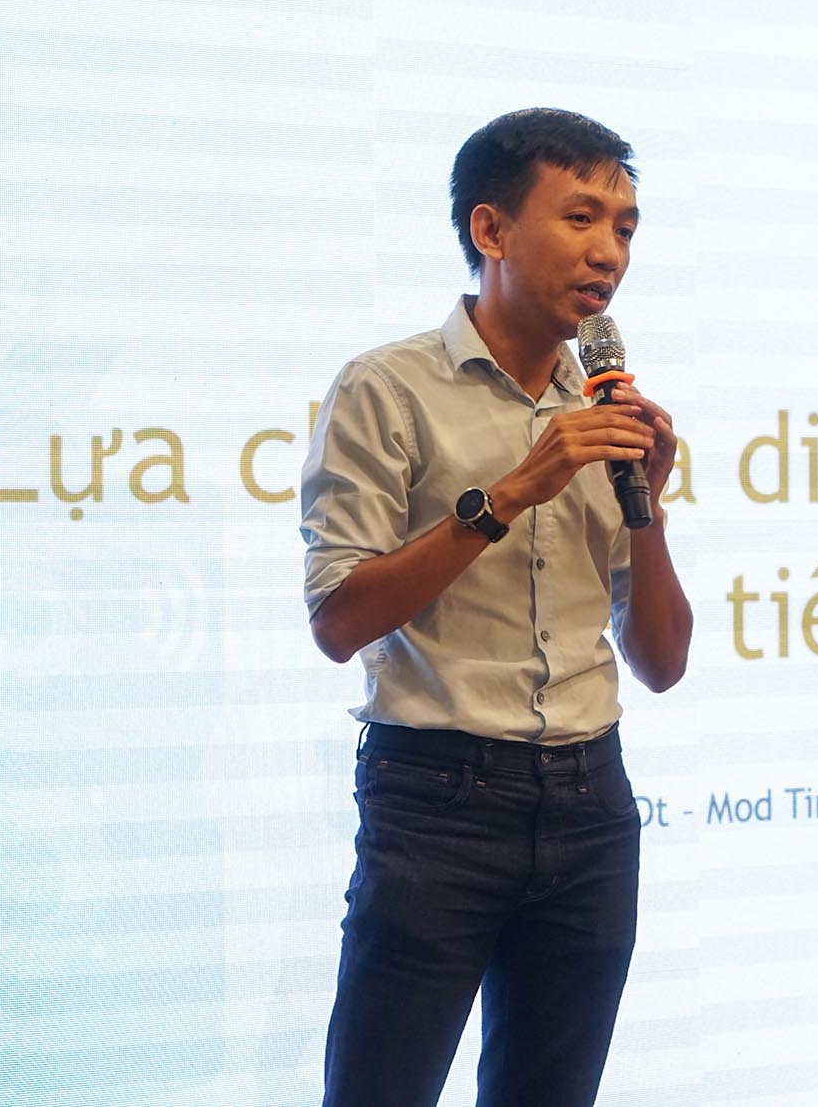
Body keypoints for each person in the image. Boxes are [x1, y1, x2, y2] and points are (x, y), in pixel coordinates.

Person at [300, 107, 693, 1107]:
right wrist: (511, 492)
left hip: (590, 804)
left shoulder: (605, 412)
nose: (609, 252)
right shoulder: (386, 388)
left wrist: (649, 507)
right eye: (581, 217)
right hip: (437, 804)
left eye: (625, 227)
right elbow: (338, 620)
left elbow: (661, 662)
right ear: (490, 229)